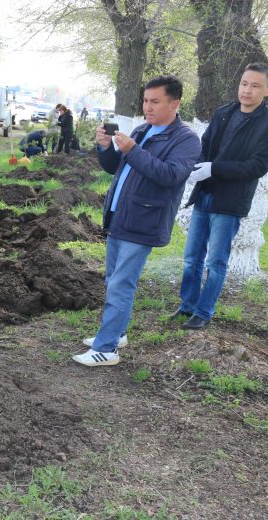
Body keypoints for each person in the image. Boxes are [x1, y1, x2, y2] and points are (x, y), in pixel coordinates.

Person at [73, 75, 201, 367]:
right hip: (120, 217)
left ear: (175, 103)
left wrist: (133, 150)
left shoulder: (186, 139)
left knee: (121, 283)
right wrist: (106, 147)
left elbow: (169, 176)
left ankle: (106, 349)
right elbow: (115, 168)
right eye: (145, 100)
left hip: (144, 220)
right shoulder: (143, 129)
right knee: (113, 279)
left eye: (155, 101)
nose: (148, 107)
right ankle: (116, 333)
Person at [172, 63, 268, 330]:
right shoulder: (224, 112)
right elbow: (205, 146)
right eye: (244, 83)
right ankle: (187, 306)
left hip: (230, 201)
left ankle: (203, 311)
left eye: (255, 85)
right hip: (204, 194)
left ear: (266, 90)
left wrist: (214, 168)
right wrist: (198, 167)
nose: (247, 90)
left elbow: (258, 166)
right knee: (192, 257)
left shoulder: (265, 123)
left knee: (216, 261)